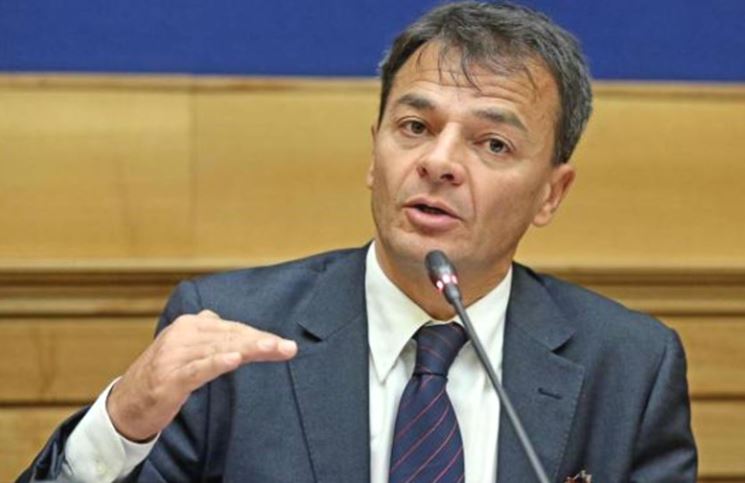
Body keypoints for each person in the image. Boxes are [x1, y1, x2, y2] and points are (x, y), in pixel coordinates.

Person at [19, 2, 697, 482]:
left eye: (492, 143)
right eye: (414, 127)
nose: (439, 162)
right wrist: (122, 422)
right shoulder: (231, 336)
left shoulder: (628, 367)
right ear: (374, 154)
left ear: (551, 192)